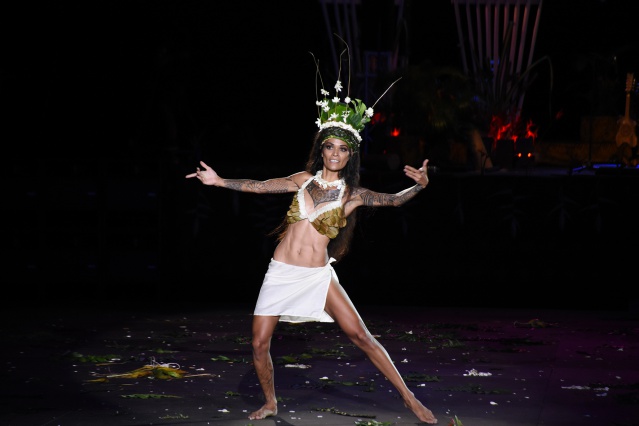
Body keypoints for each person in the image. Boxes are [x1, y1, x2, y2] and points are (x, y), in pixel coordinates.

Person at [185, 48, 438, 424]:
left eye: (343, 149)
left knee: (362, 337)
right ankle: (271, 402)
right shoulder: (302, 180)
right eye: (330, 146)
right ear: (322, 150)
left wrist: (419, 186)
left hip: (317, 276)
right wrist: (219, 181)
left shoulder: (351, 196)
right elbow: (259, 186)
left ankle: (410, 399)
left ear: (350, 156)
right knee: (258, 343)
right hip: (281, 272)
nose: (335, 153)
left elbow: (393, 200)